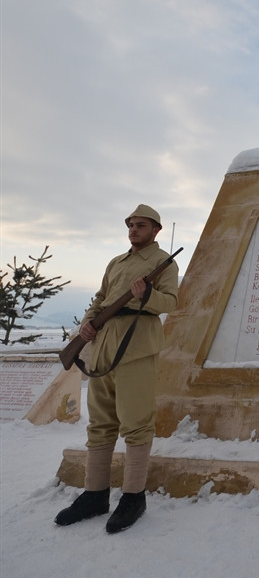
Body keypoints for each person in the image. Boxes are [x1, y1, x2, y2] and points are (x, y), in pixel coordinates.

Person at [55, 204, 178, 534]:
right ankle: (94, 494)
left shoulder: (163, 262)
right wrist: (86, 326)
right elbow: (99, 300)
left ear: (156, 230)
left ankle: (133, 496)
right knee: (100, 423)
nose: (133, 229)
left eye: (141, 225)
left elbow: (170, 302)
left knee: (136, 424)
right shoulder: (116, 263)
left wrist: (147, 294)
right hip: (104, 348)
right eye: (131, 224)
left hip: (136, 348)